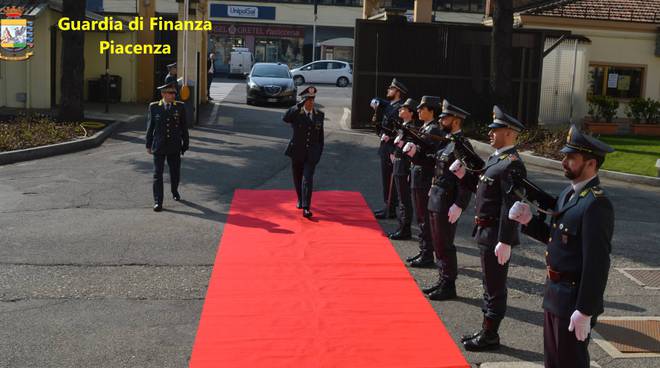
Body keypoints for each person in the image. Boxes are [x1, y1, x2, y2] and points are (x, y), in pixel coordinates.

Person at [508, 125, 615, 368]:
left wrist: (585, 310)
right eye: (564, 156)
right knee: (553, 361)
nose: (563, 162)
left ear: (591, 164)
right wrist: (529, 221)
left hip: (573, 300)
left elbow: (597, 264)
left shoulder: (596, 204)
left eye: (571, 158)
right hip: (555, 294)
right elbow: (557, 238)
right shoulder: (569, 193)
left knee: (570, 362)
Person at [449, 105, 527, 351]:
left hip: (495, 234)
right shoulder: (496, 159)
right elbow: (483, 189)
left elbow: (511, 205)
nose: (491, 133)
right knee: (488, 284)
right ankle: (486, 329)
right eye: (491, 129)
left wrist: (505, 239)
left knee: (494, 286)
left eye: (496, 129)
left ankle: (490, 335)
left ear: (511, 133)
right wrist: (465, 175)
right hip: (484, 231)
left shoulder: (513, 164)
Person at [423, 99, 474, 300]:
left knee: (445, 244)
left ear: (456, 120)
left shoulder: (462, 145)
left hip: (447, 201)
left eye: (446, 116)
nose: (442, 119)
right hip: (437, 197)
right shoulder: (447, 140)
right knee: (438, 243)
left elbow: (467, 178)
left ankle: (449, 285)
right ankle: (442, 280)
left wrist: (460, 204)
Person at [402, 96, 444, 268]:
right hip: (418, 176)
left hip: (424, 178)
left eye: (422, 108)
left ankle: (427, 254)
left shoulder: (433, 130)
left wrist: (415, 155)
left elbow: (431, 158)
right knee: (421, 218)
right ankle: (424, 250)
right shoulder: (425, 127)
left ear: (431, 111)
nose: (418, 110)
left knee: (424, 219)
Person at [145, 81, 189, 212]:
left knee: (175, 172)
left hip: (174, 146)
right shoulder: (154, 107)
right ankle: (158, 201)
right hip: (159, 145)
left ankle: (174, 191)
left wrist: (185, 144)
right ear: (163, 94)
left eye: (174, 93)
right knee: (157, 174)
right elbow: (150, 127)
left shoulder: (180, 107)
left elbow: (184, 128)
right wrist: (148, 144)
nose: (173, 95)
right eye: (170, 93)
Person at [283, 86, 324, 218]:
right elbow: (285, 118)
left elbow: (320, 137)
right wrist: (298, 105)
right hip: (297, 151)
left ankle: (306, 207)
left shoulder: (319, 115)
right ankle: (300, 199)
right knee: (297, 177)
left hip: (311, 153)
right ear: (303, 101)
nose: (311, 103)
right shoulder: (296, 113)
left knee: (307, 178)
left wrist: (319, 152)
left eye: (312, 100)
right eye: (308, 100)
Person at [374, 78, 407, 219]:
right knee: (386, 178)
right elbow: (384, 127)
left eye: (391, 88)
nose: (388, 90)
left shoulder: (400, 108)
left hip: (392, 149)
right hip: (385, 147)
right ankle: (388, 206)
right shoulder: (390, 105)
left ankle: (390, 208)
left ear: (397, 92)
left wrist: (393, 145)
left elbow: (401, 131)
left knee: (391, 179)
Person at [388, 98, 420, 240]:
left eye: (403, 109)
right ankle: (402, 227)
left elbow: (411, 150)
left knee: (404, 200)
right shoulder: (404, 126)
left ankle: (404, 229)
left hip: (404, 167)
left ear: (410, 113)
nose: (400, 110)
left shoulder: (411, 128)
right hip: (398, 164)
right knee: (401, 198)